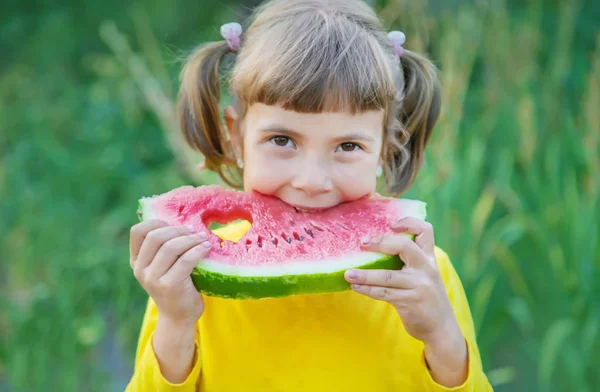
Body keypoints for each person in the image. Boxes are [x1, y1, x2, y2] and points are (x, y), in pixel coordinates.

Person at [126, 0, 493, 390]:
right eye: (282, 140)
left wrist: (441, 336)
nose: (311, 180)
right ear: (237, 136)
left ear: (385, 150)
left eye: (348, 146)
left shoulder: (425, 272)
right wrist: (177, 322)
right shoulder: (194, 266)